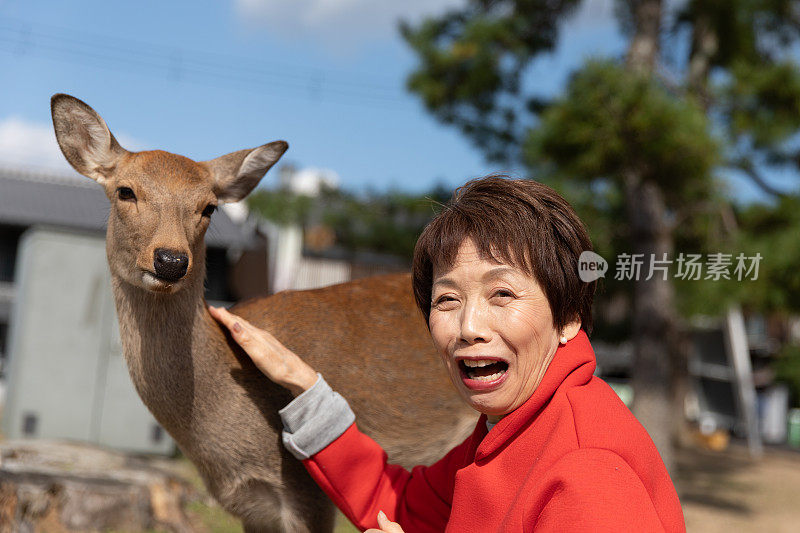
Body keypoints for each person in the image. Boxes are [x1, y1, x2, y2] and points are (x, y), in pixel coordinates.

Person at [209, 176, 686, 532]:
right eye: (447, 300)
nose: (469, 328)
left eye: (502, 294)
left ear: (567, 319)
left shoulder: (587, 470)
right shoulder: (504, 433)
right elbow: (397, 506)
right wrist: (304, 385)